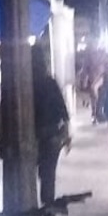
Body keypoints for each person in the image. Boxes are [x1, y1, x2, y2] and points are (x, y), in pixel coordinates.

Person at [32, 45, 72, 206]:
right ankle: (47, 207)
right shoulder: (50, 83)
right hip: (52, 134)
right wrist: (67, 135)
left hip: (30, 134)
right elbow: (63, 111)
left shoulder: (22, 84)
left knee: (27, 172)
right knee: (48, 174)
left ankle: (31, 207)